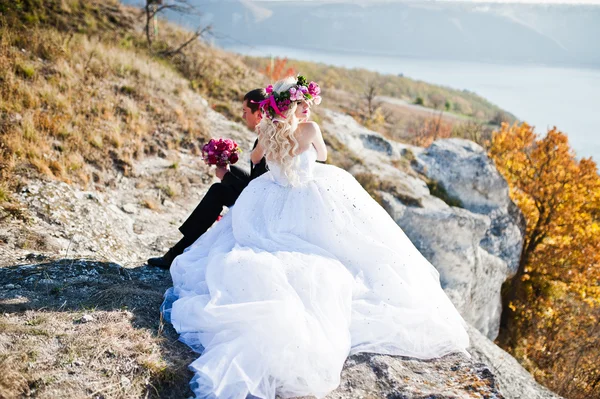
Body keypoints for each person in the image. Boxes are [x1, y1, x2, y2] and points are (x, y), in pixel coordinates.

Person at [162, 76, 470, 399]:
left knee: (259, 243)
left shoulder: (267, 130)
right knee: (337, 243)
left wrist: (271, 138)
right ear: (296, 105)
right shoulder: (309, 131)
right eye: (303, 103)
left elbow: (254, 161)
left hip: (270, 199)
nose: (307, 108)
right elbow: (321, 157)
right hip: (306, 197)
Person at [147, 89, 269, 269]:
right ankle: (177, 250)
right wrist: (227, 168)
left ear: (258, 114)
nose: (242, 115)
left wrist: (226, 176)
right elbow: (256, 179)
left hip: (260, 204)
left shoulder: (267, 139)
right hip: (259, 193)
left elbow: (258, 188)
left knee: (218, 191)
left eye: (245, 111)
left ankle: (176, 252)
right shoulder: (265, 134)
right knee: (224, 180)